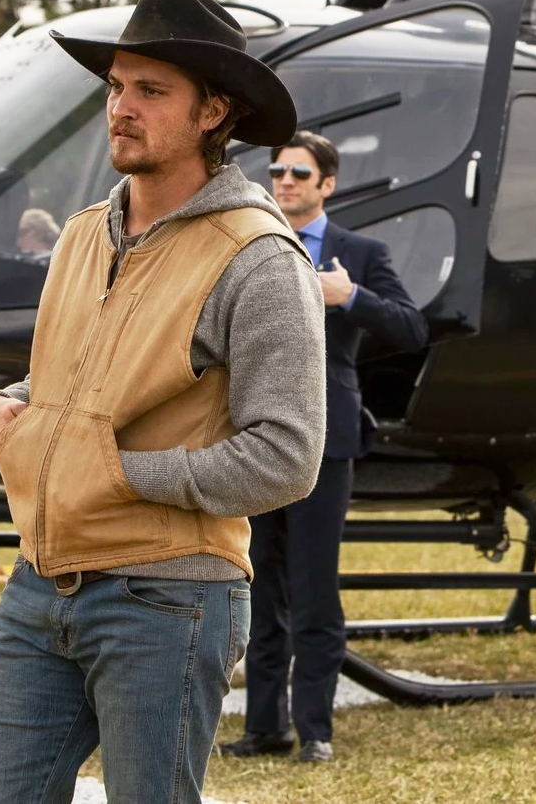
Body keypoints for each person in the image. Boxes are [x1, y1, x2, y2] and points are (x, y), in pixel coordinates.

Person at [0, 0, 327, 804]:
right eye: (116, 87)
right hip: (40, 581)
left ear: (213, 113)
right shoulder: (85, 234)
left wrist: (121, 474)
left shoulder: (260, 257)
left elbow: (288, 456)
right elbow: (74, 378)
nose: (121, 108)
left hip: (169, 597)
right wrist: (6, 408)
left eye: (151, 91)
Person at [221, 130, 428, 764]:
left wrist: (352, 297)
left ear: (327, 185)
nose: (284, 181)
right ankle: (264, 727)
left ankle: (315, 731)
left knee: (313, 590)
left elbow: (413, 327)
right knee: (258, 588)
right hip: (254, 434)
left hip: (327, 437)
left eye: (299, 174)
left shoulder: (359, 253)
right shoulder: (251, 244)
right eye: (278, 170)